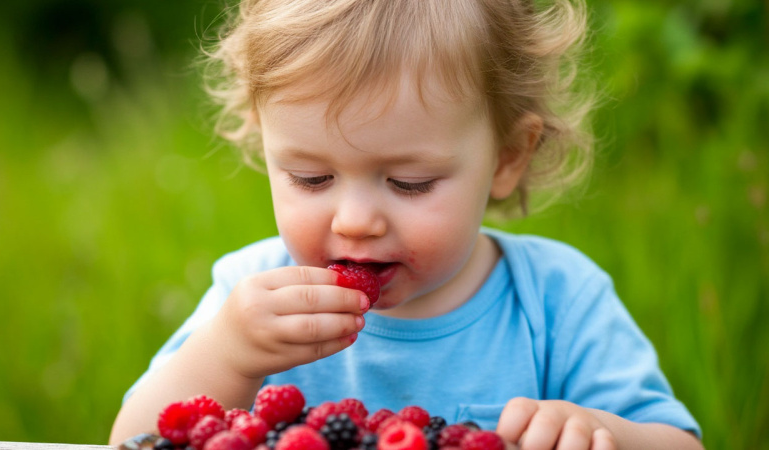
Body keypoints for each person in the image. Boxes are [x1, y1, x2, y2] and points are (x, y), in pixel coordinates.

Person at [110, 0, 703, 448]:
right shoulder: (251, 294)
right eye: (311, 179)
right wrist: (228, 355)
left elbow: (679, 442)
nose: (356, 221)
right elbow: (128, 441)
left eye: (409, 183)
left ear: (506, 158)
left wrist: (603, 433)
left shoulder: (555, 301)